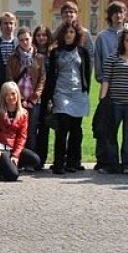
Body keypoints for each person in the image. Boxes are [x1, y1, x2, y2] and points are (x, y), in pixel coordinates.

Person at [44, 20, 91, 174]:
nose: (68, 35)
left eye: (71, 32)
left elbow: (87, 73)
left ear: (76, 34)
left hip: (78, 93)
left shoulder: (82, 52)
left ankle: (72, 161)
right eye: (66, 32)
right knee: (62, 127)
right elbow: (51, 75)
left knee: (76, 129)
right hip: (61, 92)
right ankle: (58, 163)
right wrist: (50, 96)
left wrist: (86, 91)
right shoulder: (55, 52)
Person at [99, 27, 128, 175]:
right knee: (111, 133)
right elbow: (106, 79)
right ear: (122, 42)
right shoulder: (113, 58)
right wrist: (102, 100)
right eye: (127, 40)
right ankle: (112, 163)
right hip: (115, 102)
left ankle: (127, 163)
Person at [93, 1, 127, 172]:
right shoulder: (102, 37)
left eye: (121, 12)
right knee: (105, 125)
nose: (118, 15)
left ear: (125, 14)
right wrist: (102, 80)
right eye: (114, 12)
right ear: (110, 15)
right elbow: (98, 60)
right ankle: (103, 159)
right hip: (109, 86)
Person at [0, 81, 40, 181]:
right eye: (7, 95)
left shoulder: (23, 113)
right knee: (13, 176)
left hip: (13, 148)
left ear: (18, 94)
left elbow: (22, 137)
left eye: (13, 94)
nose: (10, 97)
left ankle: (8, 166)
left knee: (35, 159)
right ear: (3, 96)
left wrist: (15, 155)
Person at [6, 26, 46, 163]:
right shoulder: (13, 58)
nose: (24, 42)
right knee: (17, 131)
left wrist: (33, 99)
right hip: (17, 100)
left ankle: (31, 160)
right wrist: (20, 99)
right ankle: (17, 159)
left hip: (34, 101)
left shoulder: (39, 58)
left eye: (27, 39)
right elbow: (10, 79)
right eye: (21, 40)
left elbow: (42, 80)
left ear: (31, 39)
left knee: (31, 131)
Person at [32, 25, 54, 167]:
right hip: (34, 94)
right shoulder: (31, 53)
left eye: (44, 35)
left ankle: (42, 159)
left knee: (45, 128)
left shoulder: (53, 53)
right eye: (39, 35)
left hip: (48, 94)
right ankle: (32, 158)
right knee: (32, 127)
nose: (41, 38)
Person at [0, 12, 18, 98]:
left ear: (15, 25)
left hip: (16, 84)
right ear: (0, 25)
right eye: (5, 23)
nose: (8, 26)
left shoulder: (19, 44)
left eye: (11, 23)